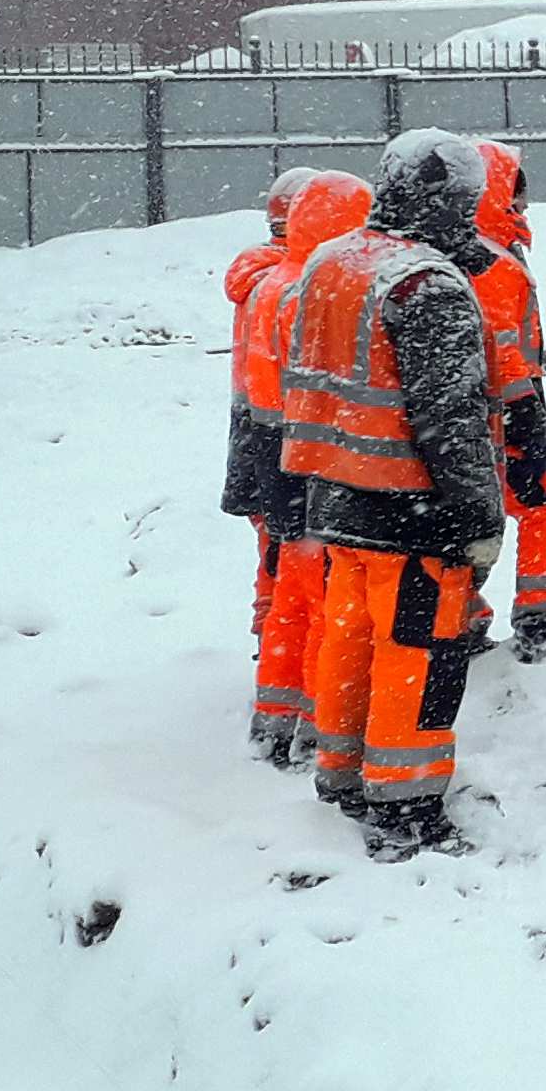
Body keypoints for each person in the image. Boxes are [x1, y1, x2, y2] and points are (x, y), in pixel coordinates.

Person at [281, 130, 507, 861]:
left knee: (350, 640)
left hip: (336, 501)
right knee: (421, 654)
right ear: (446, 201)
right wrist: (479, 515)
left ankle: (343, 772)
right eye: (465, 204)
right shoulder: (427, 287)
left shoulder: (329, 261)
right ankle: (405, 804)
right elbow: (453, 419)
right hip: (413, 507)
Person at [223, 168, 370, 762]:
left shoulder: (269, 285)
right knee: (329, 603)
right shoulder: (313, 292)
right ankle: (317, 720)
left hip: (270, 453)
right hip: (310, 459)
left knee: (290, 595)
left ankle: (276, 711)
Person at [467, 141, 546, 662]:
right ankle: (541, 624)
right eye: (517, 195)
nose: (525, 206)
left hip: (475, 420)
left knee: (466, 525)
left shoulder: (477, 252)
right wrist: (528, 424)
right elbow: (503, 351)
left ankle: (458, 626)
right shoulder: (489, 262)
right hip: (496, 419)